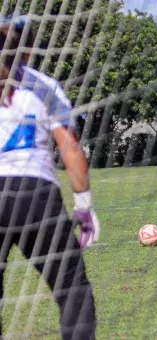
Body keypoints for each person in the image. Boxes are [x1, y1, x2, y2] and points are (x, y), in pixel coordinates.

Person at [0, 14, 98, 339]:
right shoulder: (43, 85)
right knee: (71, 287)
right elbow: (70, 147)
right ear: (27, 51)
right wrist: (83, 205)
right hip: (34, 193)